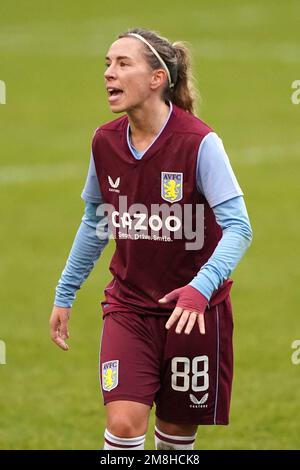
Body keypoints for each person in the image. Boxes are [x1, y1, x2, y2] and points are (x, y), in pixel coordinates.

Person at [49, 27, 253, 450]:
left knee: (176, 439)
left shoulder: (200, 143)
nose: (109, 73)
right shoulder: (103, 142)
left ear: (157, 78)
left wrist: (199, 289)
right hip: (129, 309)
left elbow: (239, 228)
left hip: (195, 314)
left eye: (123, 64)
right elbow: (96, 222)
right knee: (123, 426)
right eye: (107, 63)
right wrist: (65, 292)